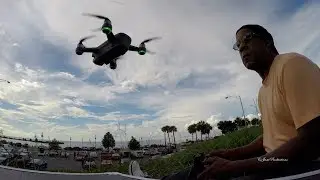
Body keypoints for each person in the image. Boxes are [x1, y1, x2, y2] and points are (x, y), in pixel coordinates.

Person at [128, 24, 320, 180]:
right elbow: (270, 137)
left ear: (267, 41)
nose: (242, 47)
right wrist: (229, 154)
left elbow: (311, 139)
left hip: (302, 167)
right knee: (204, 170)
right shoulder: (263, 90)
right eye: (238, 45)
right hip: (274, 164)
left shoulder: (291, 64)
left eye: (247, 39)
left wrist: (235, 166)